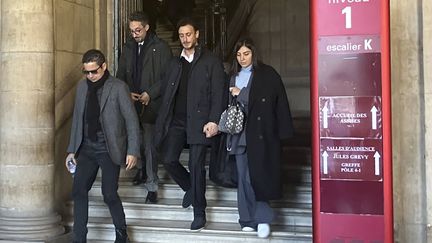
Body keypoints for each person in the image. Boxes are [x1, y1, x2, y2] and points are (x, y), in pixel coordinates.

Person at [154, 17, 226, 231]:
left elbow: (219, 94)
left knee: (196, 167)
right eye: (182, 35)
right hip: (177, 121)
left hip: (201, 122)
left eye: (189, 34)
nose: (185, 39)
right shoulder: (175, 63)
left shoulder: (211, 61)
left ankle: (199, 212)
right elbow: (166, 91)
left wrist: (214, 120)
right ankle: (190, 188)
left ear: (197, 35)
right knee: (167, 159)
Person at [66, 49, 140, 243]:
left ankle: (121, 232)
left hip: (109, 148)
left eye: (94, 71)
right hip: (87, 148)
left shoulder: (118, 87)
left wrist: (132, 151)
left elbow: (131, 121)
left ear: (104, 66)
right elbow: (77, 120)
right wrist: (72, 149)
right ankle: (79, 238)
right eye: (87, 72)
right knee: (78, 191)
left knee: (108, 193)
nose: (90, 76)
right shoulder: (82, 88)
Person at [226, 37, 294, 238]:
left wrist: (242, 93)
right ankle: (246, 219)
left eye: (246, 54)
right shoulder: (232, 76)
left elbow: (269, 103)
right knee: (242, 177)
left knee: (257, 176)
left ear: (254, 53)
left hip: (260, 133)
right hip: (238, 134)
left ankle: (262, 218)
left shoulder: (267, 74)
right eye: (239, 55)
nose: (242, 58)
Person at [116, 11, 172, 203]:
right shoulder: (127, 47)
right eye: (131, 30)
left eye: (138, 30)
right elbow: (120, 74)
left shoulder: (161, 47)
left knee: (149, 145)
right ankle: (141, 171)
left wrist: (151, 93)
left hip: (152, 105)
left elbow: (168, 78)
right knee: (136, 140)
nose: (134, 33)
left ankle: (152, 186)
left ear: (147, 27)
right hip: (132, 103)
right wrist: (127, 93)